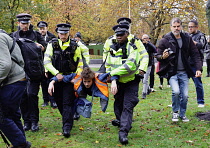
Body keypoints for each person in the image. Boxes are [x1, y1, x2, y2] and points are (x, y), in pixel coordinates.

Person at [103, 24, 148, 145]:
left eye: (121, 35)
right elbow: (107, 64)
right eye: (117, 35)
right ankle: (121, 121)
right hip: (118, 82)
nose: (119, 37)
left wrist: (112, 75)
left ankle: (123, 133)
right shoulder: (111, 48)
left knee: (128, 106)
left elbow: (130, 66)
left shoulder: (133, 47)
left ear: (127, 34)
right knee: (118, 104)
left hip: (131, 81)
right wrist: (112, 78)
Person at [44, 23, 86, 138]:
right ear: (58, 33)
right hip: (56, 78)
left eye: (65, 33)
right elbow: (46, 62)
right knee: (59, 102)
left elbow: (80, 63)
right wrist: (56, 74)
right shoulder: (52, 45)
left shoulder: (74, 46)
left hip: (70, 79)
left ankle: (66, 127)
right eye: (61, 33)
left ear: (69, 33)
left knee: (67, 102)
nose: (63, 35)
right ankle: (67, 118)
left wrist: (76, 77)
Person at [156, 18, 202, 122]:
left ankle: (183, 114)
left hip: (184, 72)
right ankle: (175, 112)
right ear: (171, 27)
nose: (176, 28)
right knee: (176, 91)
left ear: (181, 26)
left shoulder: (187, 38)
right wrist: (163, 56)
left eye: (178, 26)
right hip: (172, 72)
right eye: (174, 26)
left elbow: (195, 54)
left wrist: (198, 68)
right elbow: (157, 55)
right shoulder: (165, 39)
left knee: (185, 95)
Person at [11, 13, 47, 132]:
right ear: (18, 23)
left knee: (32, 95)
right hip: (19, 71)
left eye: (27, 23)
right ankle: (26, 122)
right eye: (23, 23)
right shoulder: (14, 36)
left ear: (29, 23)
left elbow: (45, 47)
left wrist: (41, 47)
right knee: (23, 97)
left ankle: (34, 121)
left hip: (34, 71)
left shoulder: (36, 35)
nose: (25, 26)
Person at [0, 30, 31, 148]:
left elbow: (5, 65)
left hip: (13, 81)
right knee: (12, 115)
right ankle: (19, 142)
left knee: (2, 116)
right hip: (16, 80)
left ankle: (21, 144)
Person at [48, 67, 115, 114]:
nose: (86, 84)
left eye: (89, 81)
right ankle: (76, 112)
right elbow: (63, 77)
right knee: (72, 99)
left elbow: (112, 74)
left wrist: (113, 81)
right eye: (85, 81)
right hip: (81, 92)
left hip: (94, 91)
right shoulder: (77, 77)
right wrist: (52, 82)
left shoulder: (99, 77)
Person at [37, 21, 57, 108]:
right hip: (39, 63)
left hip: (50, 63)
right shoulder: (35, 37)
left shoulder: (52, 37)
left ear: (46, 28)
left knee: (51, 82)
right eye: (40, 29)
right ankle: (46, 100)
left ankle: (53, 100)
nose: (42, 30)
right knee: (43, 83)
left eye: (43, 29)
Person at [188, 20, 206, 107]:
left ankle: (201, 102)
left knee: (198, 83)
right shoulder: (188, 35)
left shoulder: (201, 35)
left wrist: (191, 42)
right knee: (181, 82)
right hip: (187, 62)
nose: (190, 28)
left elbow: (201, 45)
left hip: (196, 63)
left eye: (192, 27)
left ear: (196, 27)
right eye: (189, 27)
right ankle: (178, 101)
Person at [141, 34, 157, 99]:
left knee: (145, 80)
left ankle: (144, 93)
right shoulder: (140, 45)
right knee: (142, 80)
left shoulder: (150, 45)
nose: (144, 40)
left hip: (148, 64)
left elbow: (155, 50)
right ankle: (148, 89)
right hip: (141, 65)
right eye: (143, 38)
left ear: (148, 39)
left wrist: (148, 43)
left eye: (145, 38)